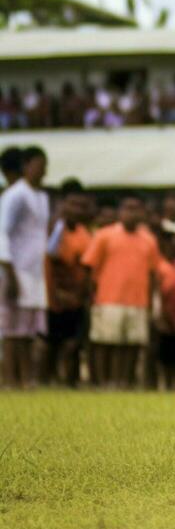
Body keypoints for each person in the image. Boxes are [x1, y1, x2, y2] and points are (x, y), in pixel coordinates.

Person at [82, 194, 162, 388]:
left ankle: (124, 381)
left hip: (138, 300)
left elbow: (153, 273)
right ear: (120, 212)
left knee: (131, 345)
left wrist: (152, 301)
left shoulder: (149, 240)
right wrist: (89, 295)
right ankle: (102, 381)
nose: (131, 213)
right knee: (105, 342)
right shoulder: (104, 235)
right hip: (108, 298)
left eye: (136, 209)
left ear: (142, 213)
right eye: (127, 208)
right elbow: (89, 267)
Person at [0, 146, 50, 388]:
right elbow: (1, 233)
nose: (43, 171)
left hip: (35, 270)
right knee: (11, 330)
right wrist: (8, 272)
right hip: (14, 268)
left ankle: (27, 380)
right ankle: (10, 380)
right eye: (39, 165)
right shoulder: (15, 195)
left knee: (28, 330)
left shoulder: (42, 197)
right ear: (26, 165)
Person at [44, 180, 92, 387]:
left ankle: (67, 383)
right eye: (73, 204)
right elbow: (50, 260)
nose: (77, 210)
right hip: (54, 296)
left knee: (73, 343)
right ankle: (45, 381)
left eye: (81, 206)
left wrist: (80, 295)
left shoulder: (84, 232)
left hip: (76, 298)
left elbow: (87, 267)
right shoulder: (54, 228)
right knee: (50, 344)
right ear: (62, 204)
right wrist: (56, 294)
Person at [153, 234, 175, 390]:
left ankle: (174, 384)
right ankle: (162, 383)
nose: (173, 248)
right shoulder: (159, 266)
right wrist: (159, 314)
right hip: (163, 313)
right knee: (162, 352)